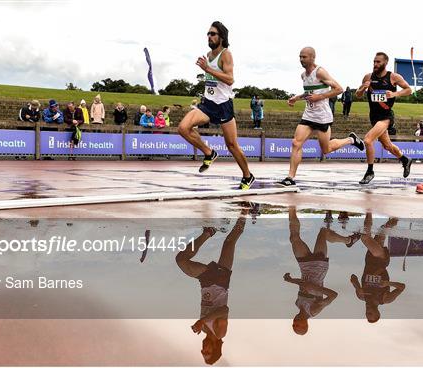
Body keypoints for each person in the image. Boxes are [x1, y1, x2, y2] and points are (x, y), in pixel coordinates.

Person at [177, 21, 255, 190]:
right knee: (183, 128)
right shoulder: (208, 54)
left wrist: (207, 69)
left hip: (223, 105)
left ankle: (248, 176)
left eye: (213, 34)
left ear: (221, 37)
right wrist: (207, 68)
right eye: (208, 34)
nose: (209, 37)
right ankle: (209, 152)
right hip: (208, 103)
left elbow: (230, 79)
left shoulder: (226, 54)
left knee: (232, 145)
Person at [276, 47, 364, 187]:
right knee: (296, 143)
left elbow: (339, 89)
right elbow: (308, 93)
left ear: (312, 58)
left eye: (304, 57)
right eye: (300, 57)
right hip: (308, 115)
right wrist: (296, 98)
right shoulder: (303, 76)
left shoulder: (320, 72)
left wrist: (320, 97)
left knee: (326, 149)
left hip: (322, 116)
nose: (301, 60)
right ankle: (290, 177)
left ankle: (350, 140)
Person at [175, 207, 248, 365]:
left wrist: (202, 323)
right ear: (215, 348)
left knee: (181, 260)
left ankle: (208, 232)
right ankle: (245, 209)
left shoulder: (204, 331)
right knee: (230, 241)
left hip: (206, 282)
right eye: (207, 352)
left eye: (202, 352)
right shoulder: (220, 333)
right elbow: (224, 310)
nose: (203, 349)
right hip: (221, 281)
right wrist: (203, 321)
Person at [283, 206, 360, 335]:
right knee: (323, 233)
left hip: (305, 267)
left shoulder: (298, 304)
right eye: (298, 325)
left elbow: (305, 284)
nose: (294, 322)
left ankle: (291, 207)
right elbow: (333, 295)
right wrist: (316, 289)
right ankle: (348, 240)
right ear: (305, 324)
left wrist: (304, 284)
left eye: (293, 325)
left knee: (294, 238)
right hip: (318, 268)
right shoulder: (314, 310)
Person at [355, 52, 413, 185]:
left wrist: (394, 93)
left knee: (368, 140)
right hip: (374, 117)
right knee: (387, 146)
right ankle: (405, 159)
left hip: (386, 117)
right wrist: (362, 88)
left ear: (385, 63)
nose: (375, 64)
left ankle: (370, 171)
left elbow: (408, 90)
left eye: (378, 62)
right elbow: (358, 95)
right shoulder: (368, 77)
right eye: (374, 61)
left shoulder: (393, 77)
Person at [350, 213, 405, 323]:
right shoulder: (385, 299)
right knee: (365, 237)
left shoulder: (362, 296)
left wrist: (357, 287)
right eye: (370, 313)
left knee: (380, 230)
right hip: (380, 259)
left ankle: (369, 209)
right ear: (377, 312)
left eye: (366, 314)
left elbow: (353, 277)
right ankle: (398, 214)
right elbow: (402, 287)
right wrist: (388, 284)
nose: (367, 311)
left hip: (369, 258)